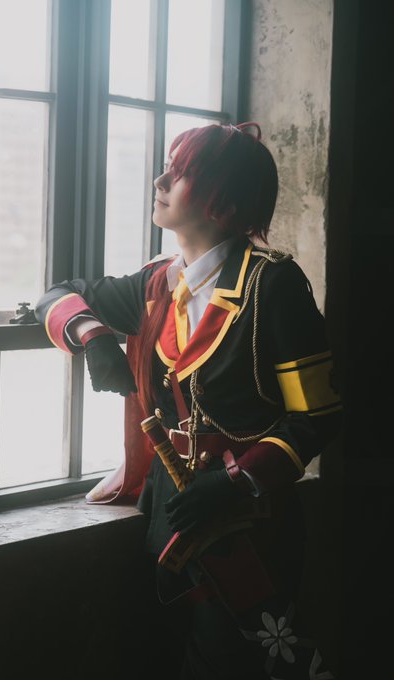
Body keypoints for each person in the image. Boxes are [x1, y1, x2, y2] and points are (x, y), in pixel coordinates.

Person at [34, 122, 342, 679]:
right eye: (166, 170)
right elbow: (58, 294)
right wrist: (94, 337)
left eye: (177, 174)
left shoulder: (273, 286)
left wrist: (235, 481)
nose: (159, 182)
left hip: (250, 522)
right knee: (162, 654)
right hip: (167, 511)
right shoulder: (157, 284)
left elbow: (316, 418)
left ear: (224, 204)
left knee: (244, 660)